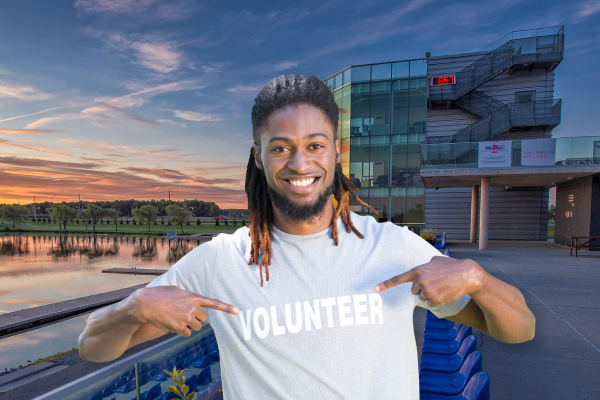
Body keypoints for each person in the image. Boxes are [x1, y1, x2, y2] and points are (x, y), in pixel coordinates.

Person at [79, 74, 535, 399]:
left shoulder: (394, 247)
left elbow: (518, 330)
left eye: (315, 145)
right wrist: (133, 306)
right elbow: (93, 348)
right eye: (281, 148)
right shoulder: (218, 262)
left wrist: (477, 278)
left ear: (335, 153)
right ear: (258, 157)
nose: (300, 164)